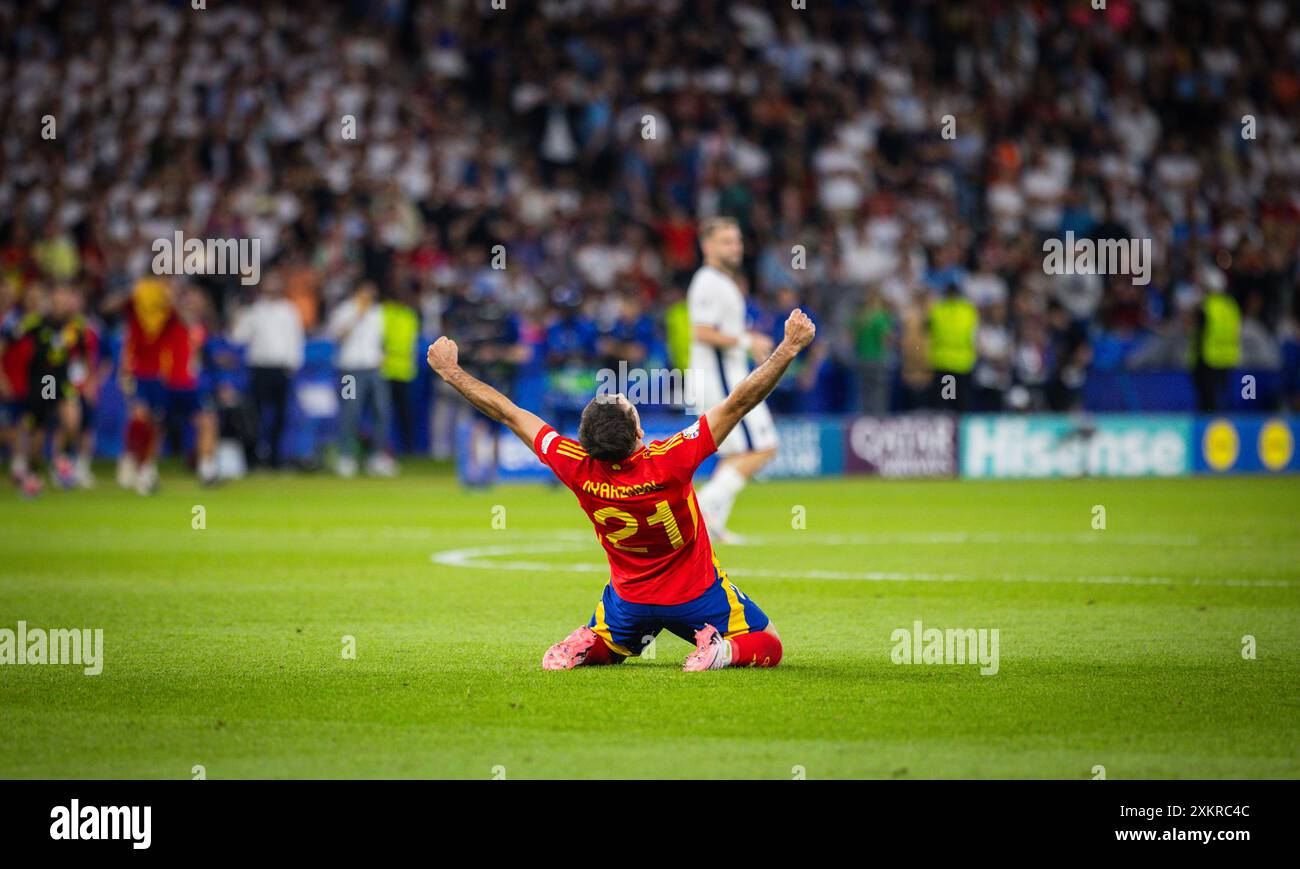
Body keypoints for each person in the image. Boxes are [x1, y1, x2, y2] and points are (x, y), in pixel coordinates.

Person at [426, 308, 817, 671]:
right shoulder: (671, 458)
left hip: (628, 603)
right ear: (638, 432)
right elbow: (739, 403)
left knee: (612, 649)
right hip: (694, 595)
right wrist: (789, 347)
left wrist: (451, 372)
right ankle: (720, 650)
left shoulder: (574, 463)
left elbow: (507, 412)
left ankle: (588, 644)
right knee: (768, 642)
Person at [686, 217, 778, 543]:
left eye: (737, 240)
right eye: (726, 241)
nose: (734, 247)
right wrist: (746, 342)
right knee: (764, 448)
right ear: (706, 246)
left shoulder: (722, 282)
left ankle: (711, 527)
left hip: (720, 377)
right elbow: (701, 331)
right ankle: (701, 510)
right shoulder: (708, 282)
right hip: (721, 380)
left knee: (733, 455)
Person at [230, 277, 304, 470]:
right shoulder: (255, 311)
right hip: (259, 367)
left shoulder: (288, 310)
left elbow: (295, 338)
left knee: (281, 416)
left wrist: (293, 364)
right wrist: (239, 313)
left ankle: (276, 457)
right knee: (256, 415)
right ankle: (254, 457)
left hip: (281, 368)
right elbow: (238, 337)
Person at [327, 280, 396, 477]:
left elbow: (381, 339)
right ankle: (345, 456)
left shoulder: (378, 312)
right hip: (350, 369)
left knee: (382, 411)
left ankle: (378, 457)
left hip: (374, 369)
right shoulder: (344, 310)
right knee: (351, 411)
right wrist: (357, 316)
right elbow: (337, 336)